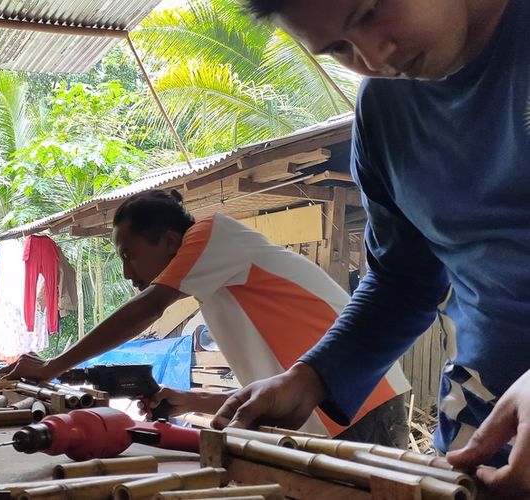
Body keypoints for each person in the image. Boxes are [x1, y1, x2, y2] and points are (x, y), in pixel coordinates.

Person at [212, 0, 529, 495]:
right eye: (339, 47)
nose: (375, 58)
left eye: (369, 12)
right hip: (482, 426)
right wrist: (310, 377)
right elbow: (403, 280)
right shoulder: (386, 107)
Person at [0, 189, 410, 445]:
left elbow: (145, 309)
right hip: (338, 399)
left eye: (130, 255)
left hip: (360, 398)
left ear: (171, 241)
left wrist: (53, 367)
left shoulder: (212, 234)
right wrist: (190, 400)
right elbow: (273, 387)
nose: (127, 272)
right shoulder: (220, 285)